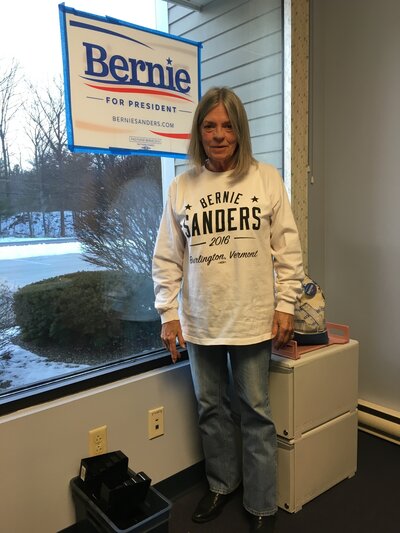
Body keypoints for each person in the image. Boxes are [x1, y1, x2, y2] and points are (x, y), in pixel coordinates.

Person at [152, 87, 304, 532]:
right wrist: (168, 313)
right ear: (199, 132)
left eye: (227, 125)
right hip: (201, 320)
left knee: (255, 411)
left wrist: (286, 304)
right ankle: (222, 484)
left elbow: (287, 250)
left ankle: (262, 504)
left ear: (240, 131)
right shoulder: (182, 185)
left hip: (253, 317)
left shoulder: (266, 178)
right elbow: (167, 255)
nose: (219, 135)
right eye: (209, 125)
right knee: (211, 408)